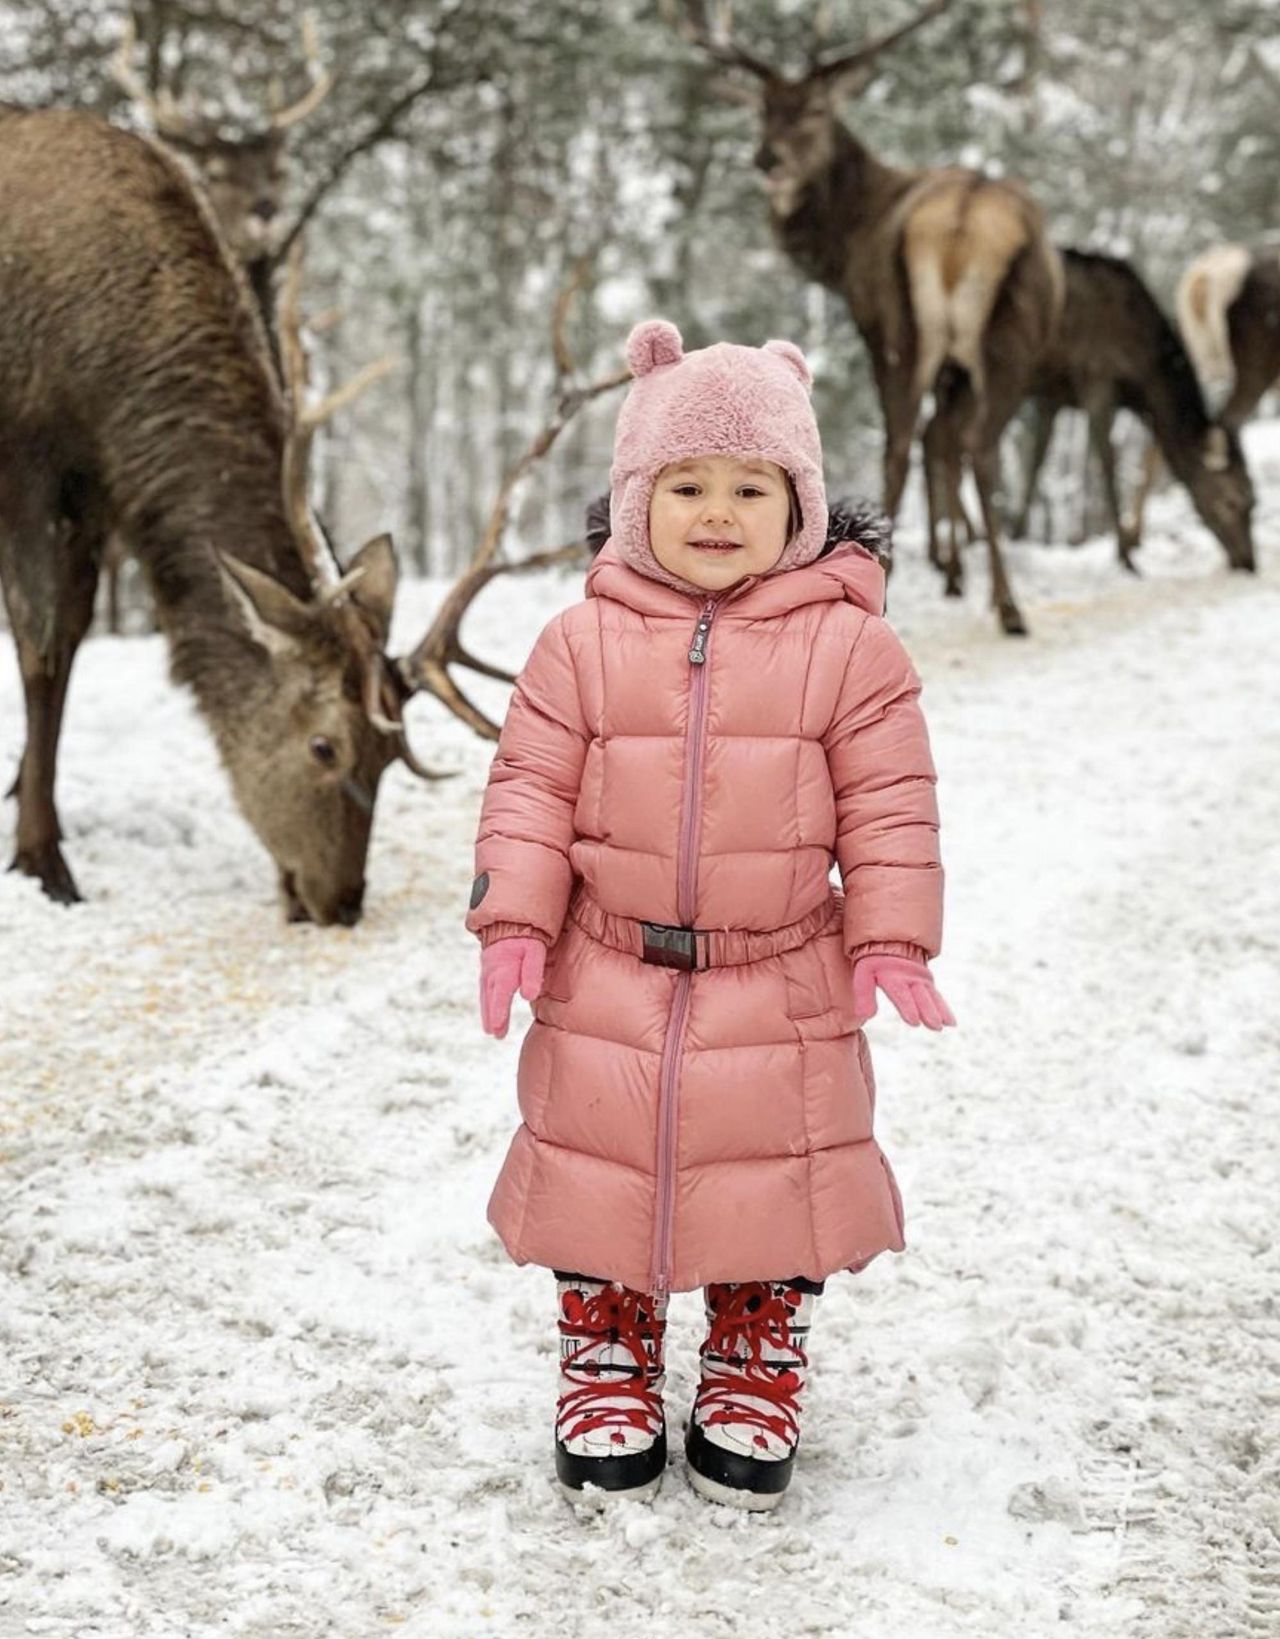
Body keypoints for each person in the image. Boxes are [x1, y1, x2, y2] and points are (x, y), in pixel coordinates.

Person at [465, 318, 955, 1512]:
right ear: (638, 498)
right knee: (597, 1172)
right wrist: (513, 919)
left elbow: (890, 800)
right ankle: (609, 1348)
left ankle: (751, 1350)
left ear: (800, 505)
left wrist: (890, 934)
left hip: (778, 965)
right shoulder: (576, 642)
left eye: (751, 486)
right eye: (686, 485)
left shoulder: (850, 648)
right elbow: (525, 786)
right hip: (609, 962)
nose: (717, 511)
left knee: (772, 1181)